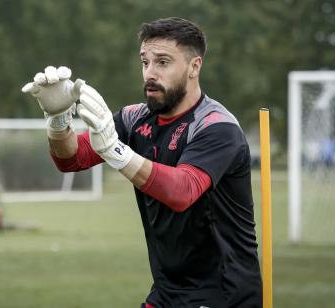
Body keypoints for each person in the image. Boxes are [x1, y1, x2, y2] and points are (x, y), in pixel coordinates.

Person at [22, 17, 262, 308]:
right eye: (145, 62)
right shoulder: (136, 117)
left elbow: (182, 191)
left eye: (163, 62)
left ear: (194, 67)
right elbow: (71, 159)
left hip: (224, 294)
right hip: (166, 292)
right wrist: (59, 121)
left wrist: (115, 150)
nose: (150, 73)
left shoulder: (217, 127)